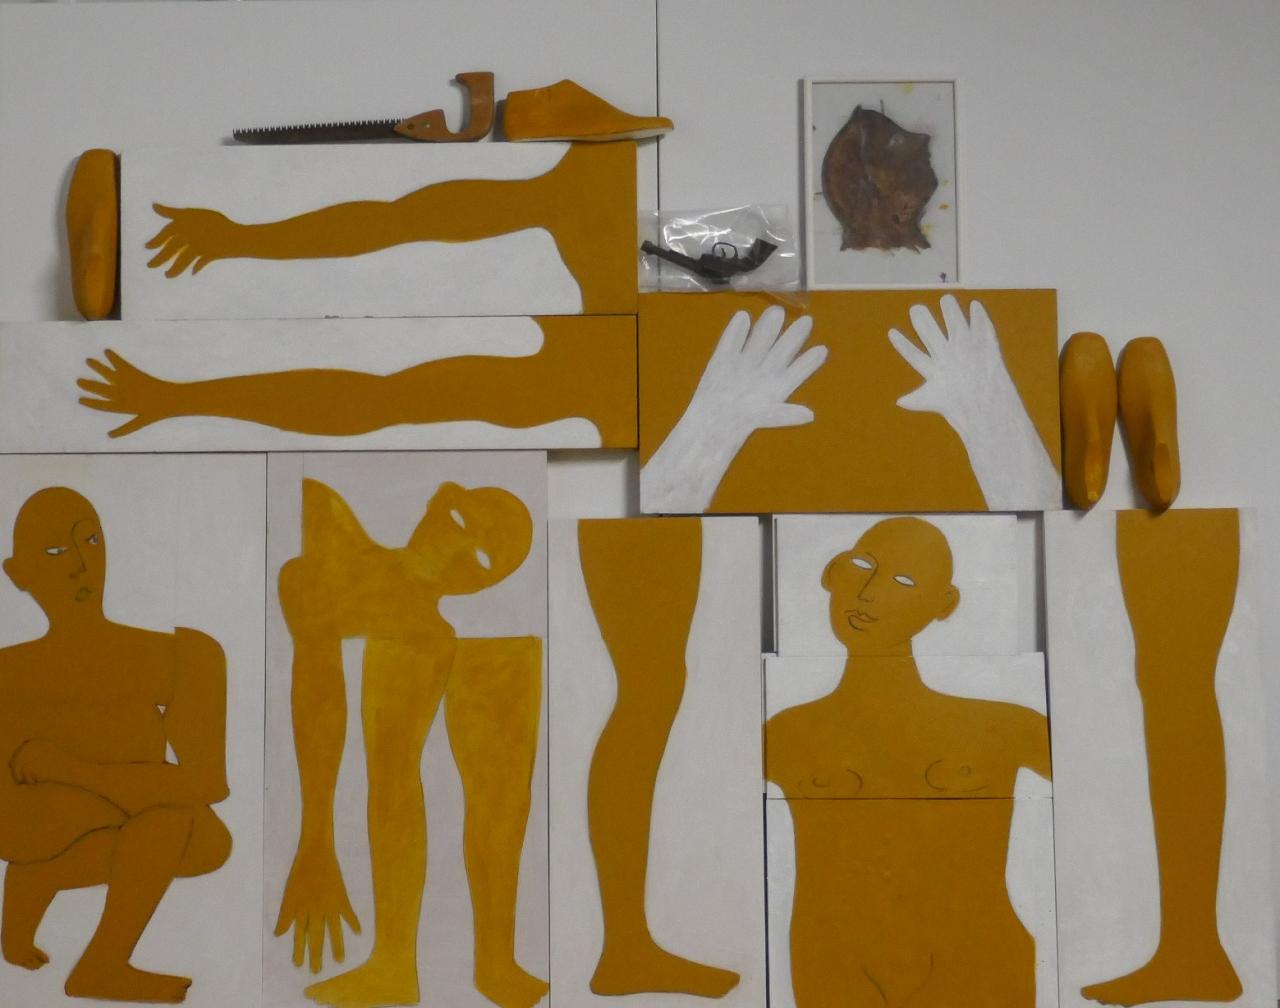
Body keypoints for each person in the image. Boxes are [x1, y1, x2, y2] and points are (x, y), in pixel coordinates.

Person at [275, 479, 546, 1008]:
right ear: (440, 497)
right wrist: (315, 844)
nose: (457, 551)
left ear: (482, 587)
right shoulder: (322, 525)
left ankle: (487, 961)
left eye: (482, 560)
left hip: (431, 651)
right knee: (396, 765)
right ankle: (398, 963)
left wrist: (317, 842)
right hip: (398, 641)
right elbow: (320, 703)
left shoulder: (426, 634)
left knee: (484, 775)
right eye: (461, 522)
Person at [764, 516, 1050, 1007]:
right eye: (861, 567)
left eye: (903, 580)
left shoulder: (1004, 726)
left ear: (945, 604)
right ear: (832, 574)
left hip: (978, 961)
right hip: (835, 965)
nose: (869, 593)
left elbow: (1110, 789)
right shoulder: (785, 733)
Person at [0, 487, 230, 1004]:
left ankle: (42, 880)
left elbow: (208, 783)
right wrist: (141, 787)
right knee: (173, 820)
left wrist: (69, 770)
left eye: (91, 540)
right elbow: (8, 817)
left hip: (109, 815)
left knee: (205, 838)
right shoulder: (7, 671)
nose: (80, 565)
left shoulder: (184, 655)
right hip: (56, 826)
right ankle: (100, 964)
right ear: (18, 574)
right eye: (55, 551)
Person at [141, 141, 634, 315]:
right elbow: (390, 221)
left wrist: (242, 240)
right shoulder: (590, 172)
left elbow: (390, 221)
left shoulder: (587, 175)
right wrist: (242, 239)